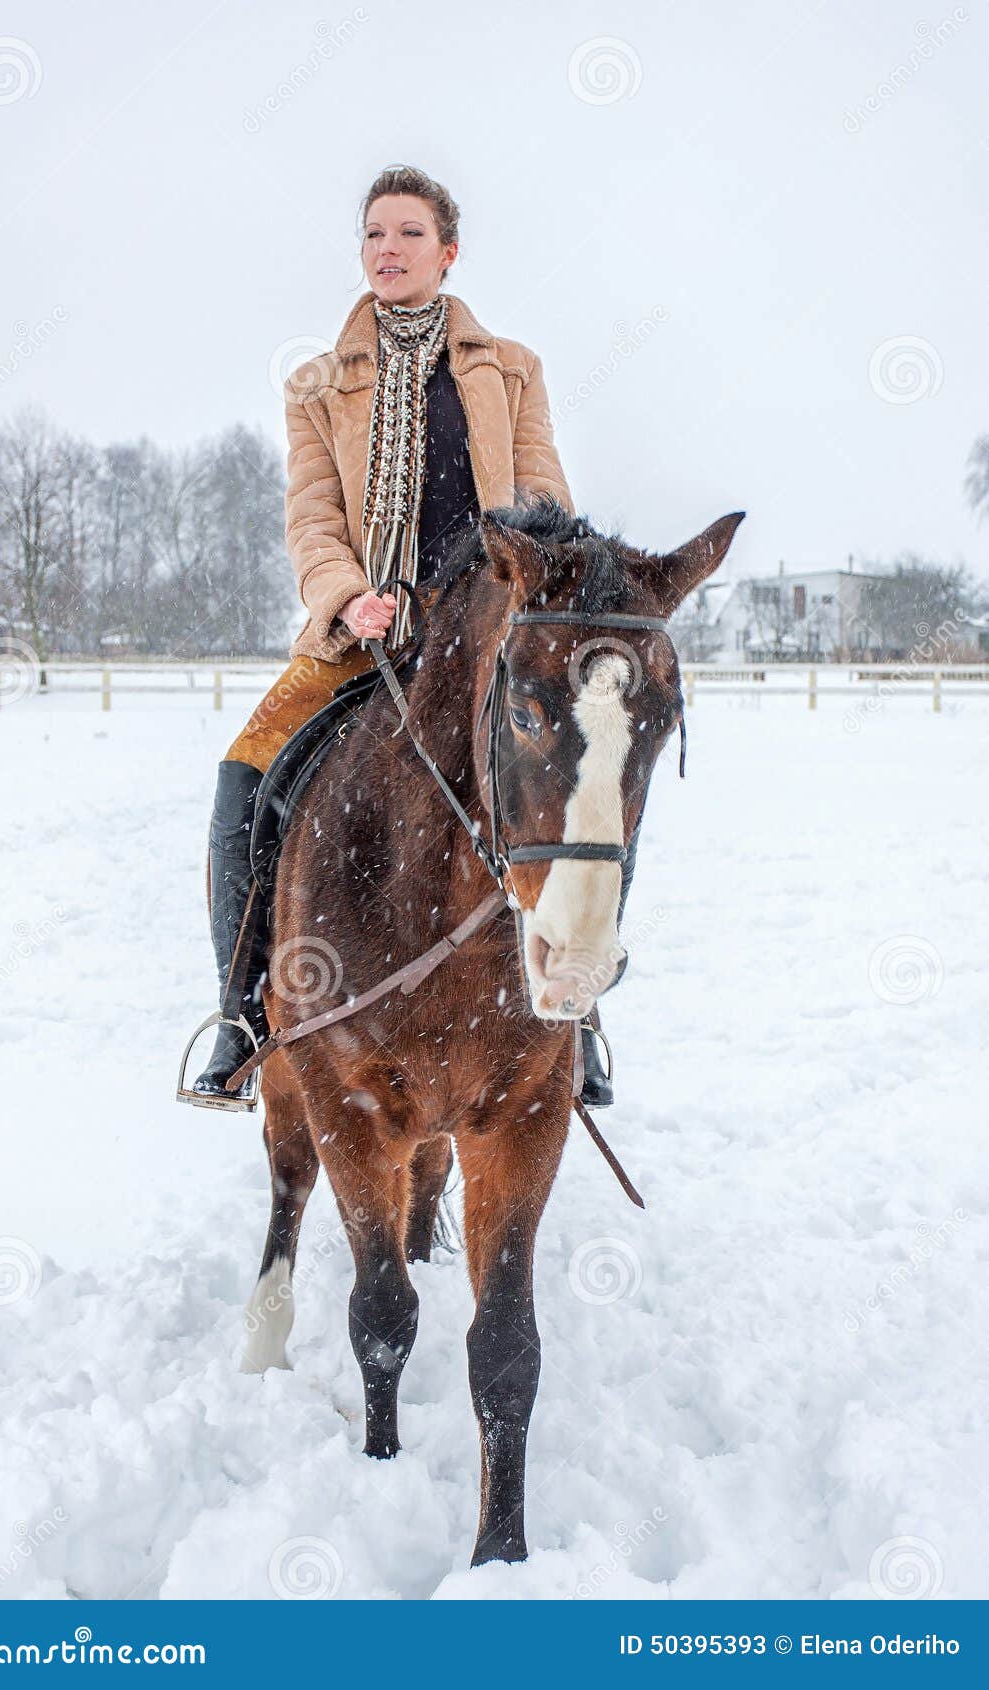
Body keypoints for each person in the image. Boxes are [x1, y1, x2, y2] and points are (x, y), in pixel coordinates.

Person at [182, 163, 618, 1109]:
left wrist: (524, 598)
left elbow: (544, 499)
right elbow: (312, 517)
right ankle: (241, 1015)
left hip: (486, 634)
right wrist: (347, 597)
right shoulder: (315, 383)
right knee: (246, 773)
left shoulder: (511, 369)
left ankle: (577, 1011)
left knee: (577, 779)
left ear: (447, 252)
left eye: (409, 234)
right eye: (374, 234)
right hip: (362, 634)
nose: (388, 249)